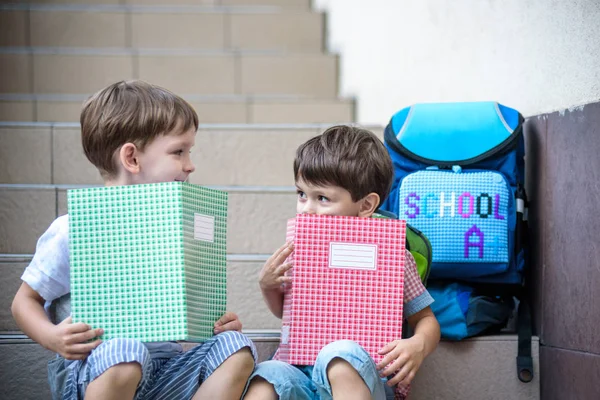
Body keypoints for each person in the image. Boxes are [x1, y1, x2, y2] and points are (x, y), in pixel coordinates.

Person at [11, 80, 256, 400]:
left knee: (237, 347)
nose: (190, 165)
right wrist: (53, 337)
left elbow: (188, 309)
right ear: (132, 158)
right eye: (179, 152)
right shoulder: (75, 229)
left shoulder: (176, 230)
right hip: (98, 366)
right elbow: (22, 302)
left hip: (167, 368)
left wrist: (216, 322)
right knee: (127, 351)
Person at [243, 125, 440, 400]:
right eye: (301, 194)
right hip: (300, 372)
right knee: (268, 375)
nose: (306, 208)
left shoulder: (393, 254)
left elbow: (425, 319)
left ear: (365, 205)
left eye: (322, 198)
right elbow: (290, 313)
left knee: (341, 356)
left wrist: (417, 345)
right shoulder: (299, 249)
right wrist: (268, 286)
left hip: (360, 374)